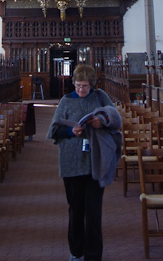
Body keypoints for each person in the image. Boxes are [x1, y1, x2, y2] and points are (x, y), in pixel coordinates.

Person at [47, 64, 122, 261]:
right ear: (74, 84)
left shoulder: (100, 97)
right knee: (76, 211)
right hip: (71, 163)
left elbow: (115, 119)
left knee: (94, 213)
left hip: (96, 162)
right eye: (78, 86)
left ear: (92, 85)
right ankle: (76, 253)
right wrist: (71, 131)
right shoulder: (66, 101)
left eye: (85, 86)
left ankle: (94, 256)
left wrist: (102, 121)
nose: (81, 90)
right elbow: (54, 131)